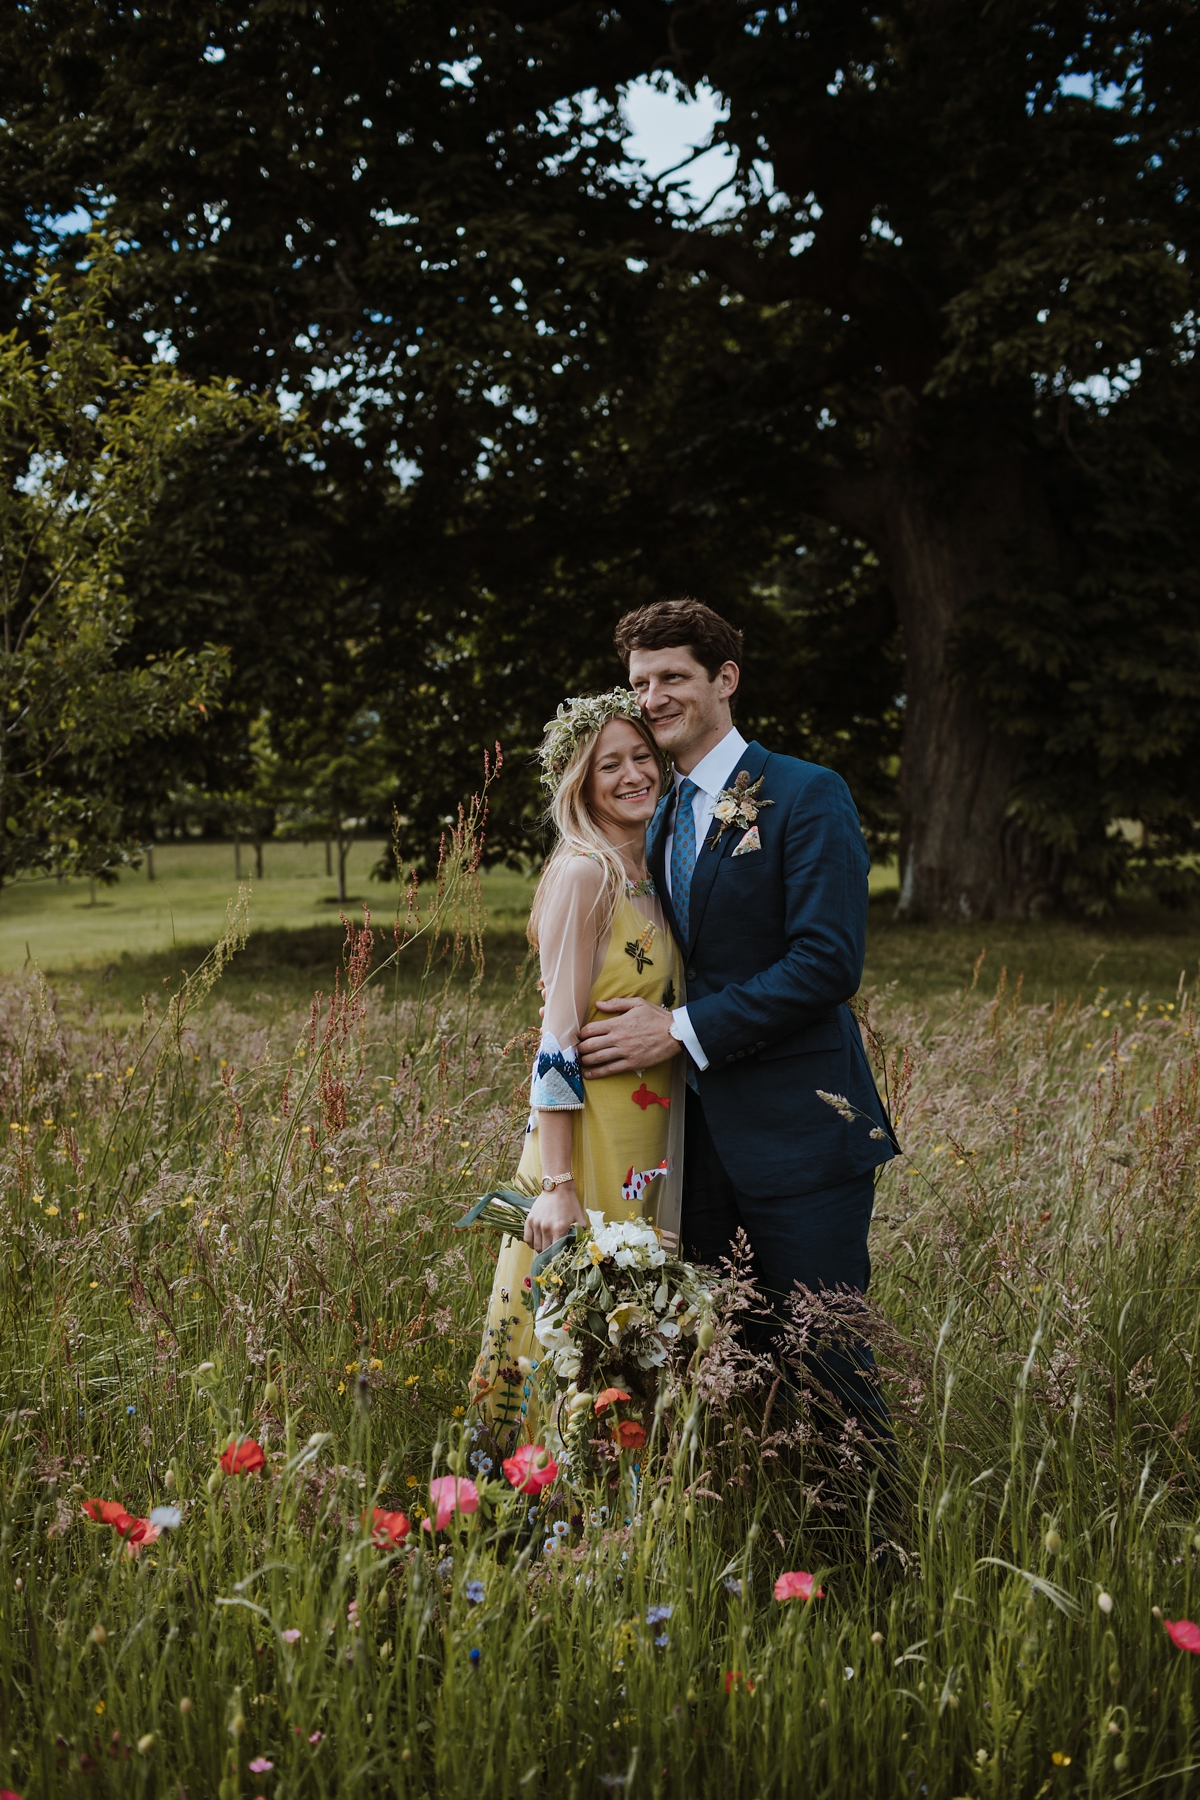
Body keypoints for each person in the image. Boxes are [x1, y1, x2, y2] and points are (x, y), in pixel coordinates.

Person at [577, 598, 898, 1451]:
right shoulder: (661, 811)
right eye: (639, 681)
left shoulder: (804, 793)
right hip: (696, 1144)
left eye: (673, 676)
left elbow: (827, 961)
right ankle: (761, 1539)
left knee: (828, 1363)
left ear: (725, 679)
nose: (652, 696)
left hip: (802, 1130)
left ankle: (875, 1558)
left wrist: (677, 1031)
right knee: (730, 1364)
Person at [469, 690, 684, 1445]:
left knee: (627, 1330)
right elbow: (555, 1040)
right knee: (566, 1327)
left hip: (648, 1145)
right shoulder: (584, 875)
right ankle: (527, 1497)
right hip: (586, 1145)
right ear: (580, 783)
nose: (633, 776)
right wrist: (557, 1188)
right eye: (608, 765)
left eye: (641, 758)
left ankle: (621, 1503)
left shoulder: (655, 867)